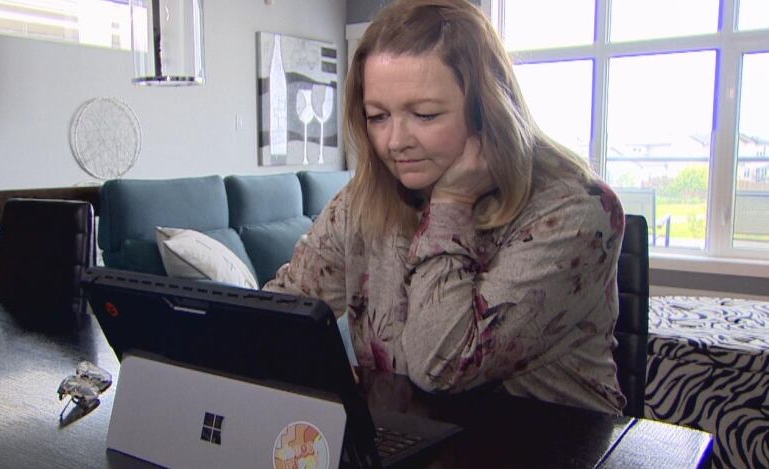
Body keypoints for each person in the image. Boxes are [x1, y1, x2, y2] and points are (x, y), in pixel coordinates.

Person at [265, 0, 626, 415]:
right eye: (378, 116)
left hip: (551, 448)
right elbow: (282, 315)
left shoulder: (577, 211)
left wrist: (451, 204)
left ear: (485, 111)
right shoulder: (362, 201)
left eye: (424, 114)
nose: (395, 141)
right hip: (410, 437)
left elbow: (443, 365)